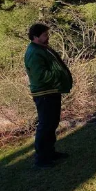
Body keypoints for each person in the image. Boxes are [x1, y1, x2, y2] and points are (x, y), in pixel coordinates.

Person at [24, 23, 73, 167]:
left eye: (47, 34)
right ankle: (41, 159)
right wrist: (59, 74)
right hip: (44, 93)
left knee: (52, 123)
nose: (47, 37)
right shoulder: (34, 52)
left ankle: (50, 152)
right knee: (45, 125)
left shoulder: (41, 48)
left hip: (51, 91)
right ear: (35, 37)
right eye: (44, 35)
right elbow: (40, 76)